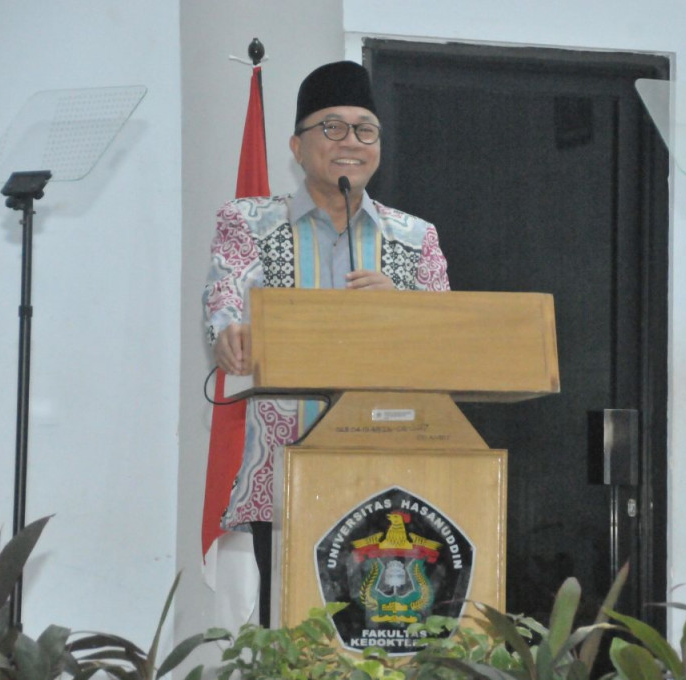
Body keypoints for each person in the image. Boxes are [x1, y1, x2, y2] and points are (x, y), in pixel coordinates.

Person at [202, 60, 451, 625]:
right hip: (284, 474)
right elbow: (226, 300)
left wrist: (403, 312)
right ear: (296, 144)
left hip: (394, 480)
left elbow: (449, 341)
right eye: (332, 127)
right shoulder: (249, 221)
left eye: (365, 129)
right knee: (290, 634)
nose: (351, 142)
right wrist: (229, 333)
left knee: (379, 634)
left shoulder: (416, 238)